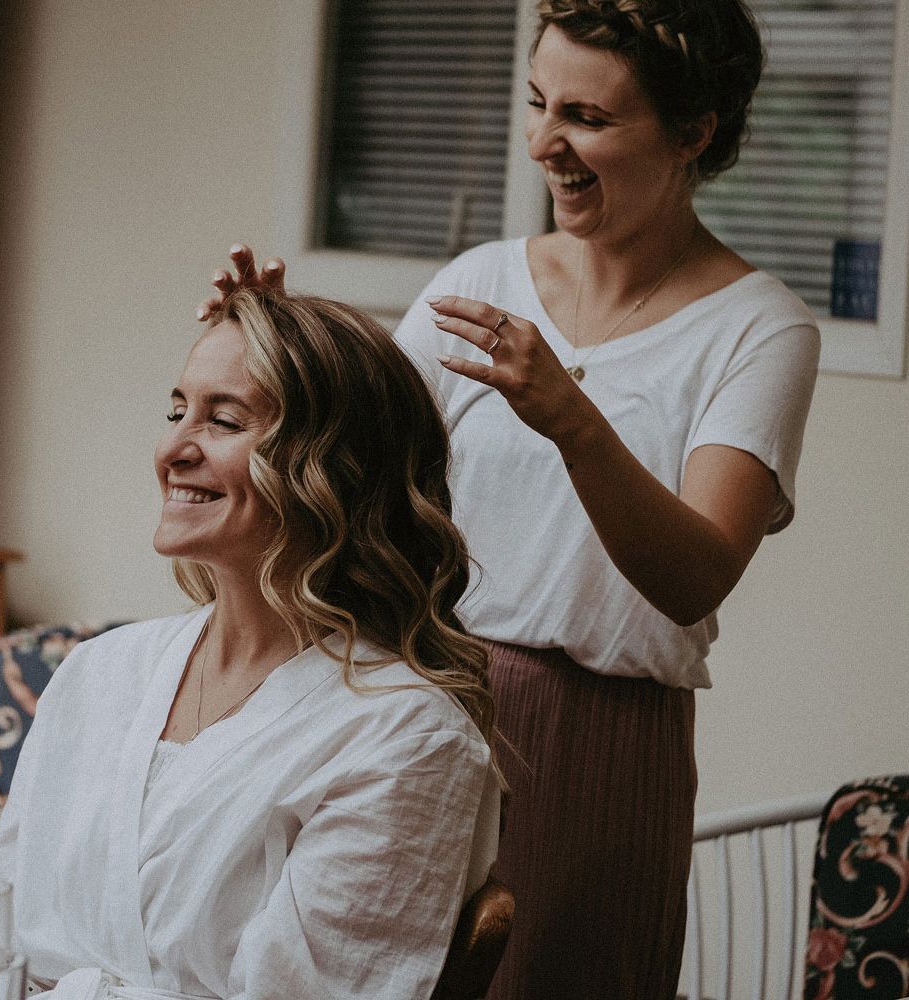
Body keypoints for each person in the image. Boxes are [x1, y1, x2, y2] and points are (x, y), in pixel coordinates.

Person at [202, 1, 821, 996]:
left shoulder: (759, 330)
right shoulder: (481, 280)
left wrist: (571, 416)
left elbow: (694, 572)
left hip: (604, 747)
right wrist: (275, 349)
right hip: (419, 699)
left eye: (587, 117)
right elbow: (350, 477)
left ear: (692, 133)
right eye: (537, 104)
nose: (543, 144)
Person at [0, 288, 502, 999]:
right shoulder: (101, 673)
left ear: (335, 467)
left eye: (223, 420)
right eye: (176, 412)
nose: (173, 449)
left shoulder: (406, 738)